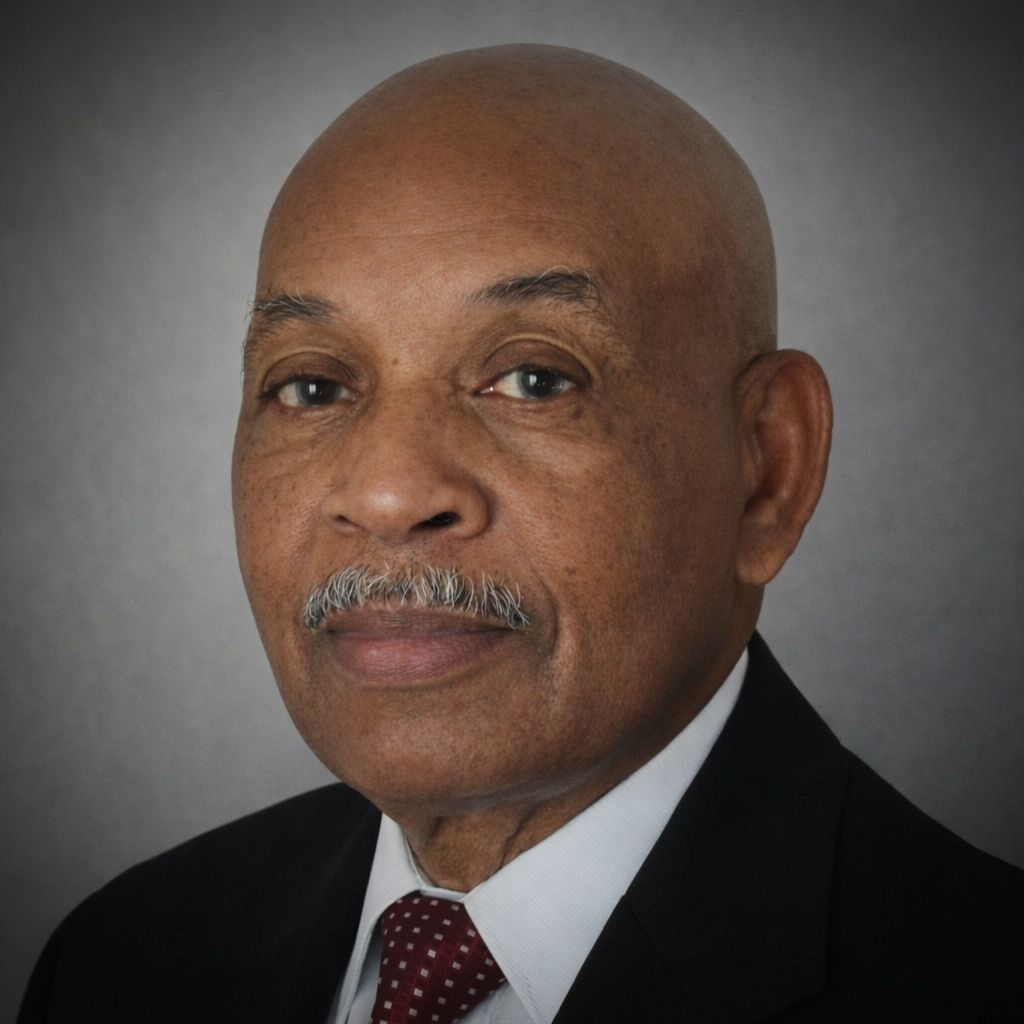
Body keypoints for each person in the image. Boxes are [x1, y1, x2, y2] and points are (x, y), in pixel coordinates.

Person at [19, 44, 1022, 1023]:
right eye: (311, 385)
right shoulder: (123, 960)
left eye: (536, 378)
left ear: (767, 469)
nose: (386, 492)